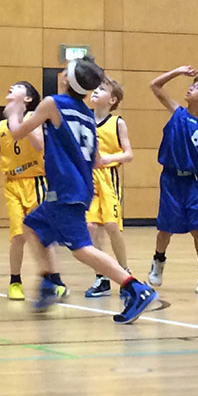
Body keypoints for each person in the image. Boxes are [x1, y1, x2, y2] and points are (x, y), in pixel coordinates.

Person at [4, 55, 157, 324]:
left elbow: (17, 132)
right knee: (32, 227)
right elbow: (96, 159)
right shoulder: (87, 114)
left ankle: (134, 287)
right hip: (79, 187)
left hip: (66, 188)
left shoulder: (53, 103)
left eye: (65, 71)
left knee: (82, 249)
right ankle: (50, 282)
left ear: (66, 80)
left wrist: (14, 112)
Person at [0, 81, 67, 301]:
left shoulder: (34, 119)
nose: (11, 87)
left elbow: (39, 145)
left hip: (36, 182)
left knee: (42, 234)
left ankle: (55, 280)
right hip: (12, 185)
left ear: (28, 99)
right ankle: (15, 281)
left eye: (17, 86)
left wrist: (19, 122)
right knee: (18, 235)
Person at [148, 66, 198, 294]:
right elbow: (155, 85)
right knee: (165, 229)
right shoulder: (177, 112)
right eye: (193, 85)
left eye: (197, 87)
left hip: (195, 182)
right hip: (171, 179)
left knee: (197, 227)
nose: (191, 88)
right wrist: (177, 71)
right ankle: (158, 259)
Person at [85, 78, 132, 298]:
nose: (95, 91)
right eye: (94, 88)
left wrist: (107, 158)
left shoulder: (117, 123)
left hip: (108, 179)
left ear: (112, 100)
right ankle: (101, 277)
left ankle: (125, 274)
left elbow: (128, 154)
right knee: (90, 227)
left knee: (112, 226)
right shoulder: (84, 120)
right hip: (88, 179)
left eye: (101, 89)